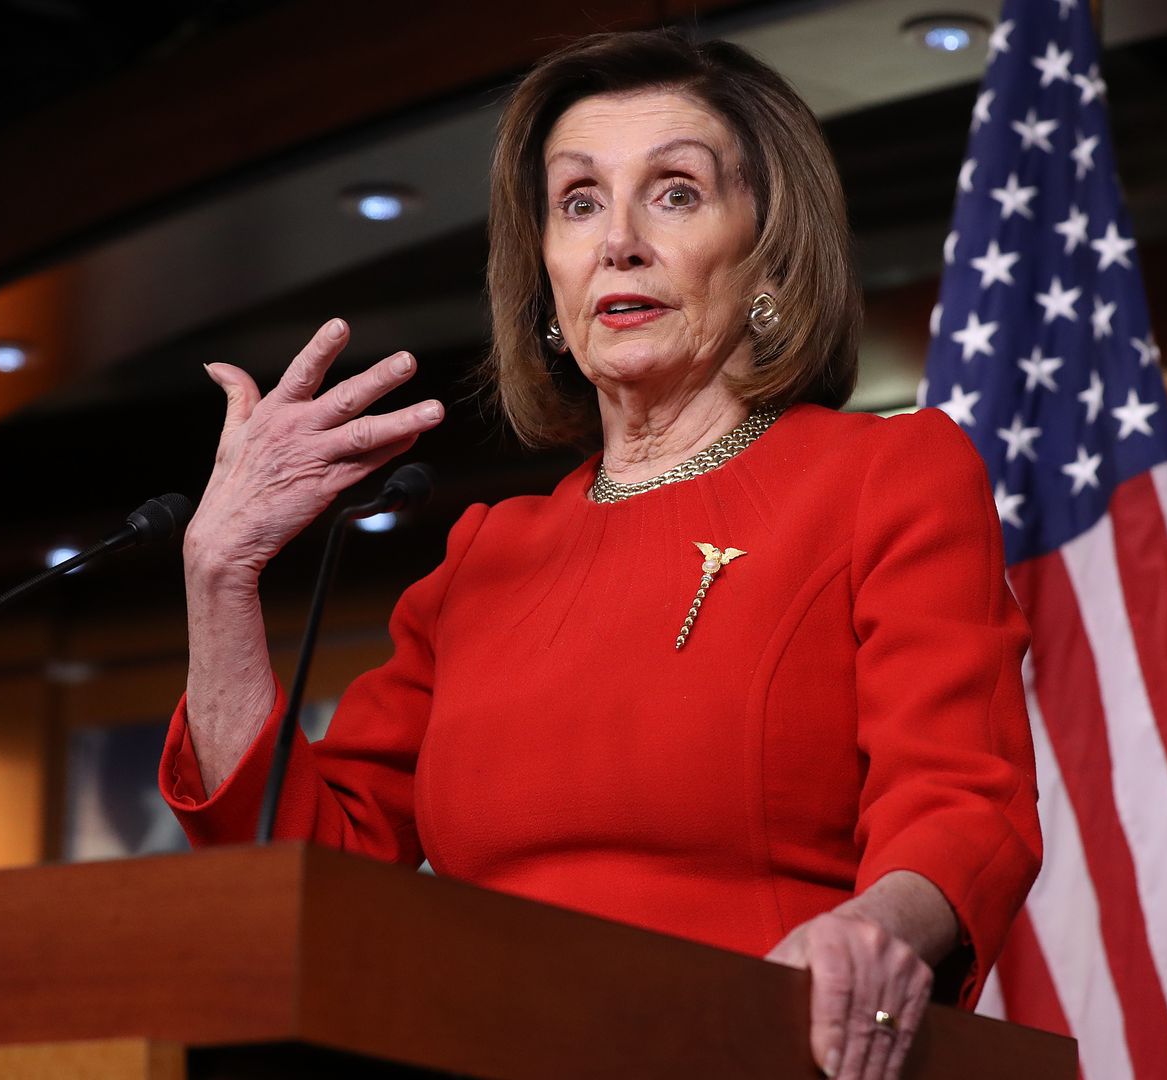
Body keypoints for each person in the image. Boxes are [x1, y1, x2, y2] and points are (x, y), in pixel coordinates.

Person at [162, 29, 1040, 1080]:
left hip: (761, 1047)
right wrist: (219, 575)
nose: (618, 240)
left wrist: (881, 930)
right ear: (545, 271)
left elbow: (962, 796)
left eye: (675, 192)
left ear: (769, 248)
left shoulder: (885, 475)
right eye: (579, 202)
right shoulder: (485, 556)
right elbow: (309, 869)